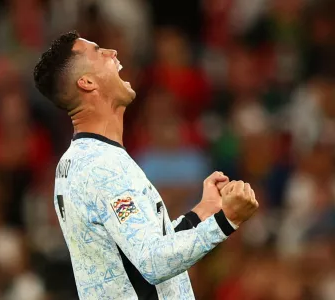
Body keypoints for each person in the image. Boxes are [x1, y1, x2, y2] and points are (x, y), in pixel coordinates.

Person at [33, 31, 259, 300]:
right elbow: (152, 263)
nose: (112, 53)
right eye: (98, 52)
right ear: (87, 82)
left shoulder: (80, 160)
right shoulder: (101, 166)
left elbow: (141, 252)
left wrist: (203, 211)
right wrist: (226, 221)